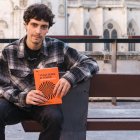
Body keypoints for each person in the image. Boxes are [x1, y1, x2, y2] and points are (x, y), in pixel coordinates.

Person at [0, 3, 99, 140]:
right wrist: (24, 97)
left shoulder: (59, 48)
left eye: (43, 27)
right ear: (26, 25)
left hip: (44, 104)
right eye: (34, 25)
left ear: (47, 29)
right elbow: (2, 85)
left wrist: (69, 78)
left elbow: (91, 63)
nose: (38, 31)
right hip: (17, 103)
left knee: (55, 117)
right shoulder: (9, 52)